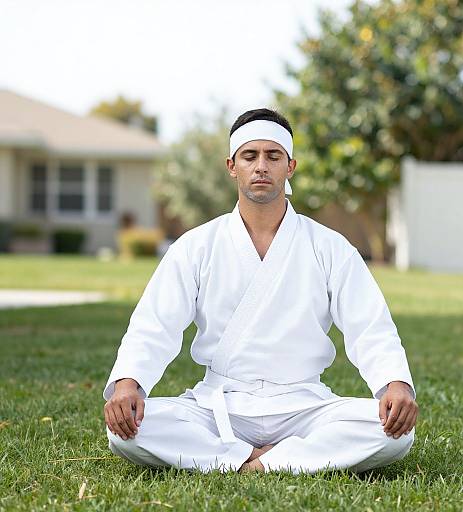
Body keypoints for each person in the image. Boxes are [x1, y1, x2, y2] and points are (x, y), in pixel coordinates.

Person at [103, 108, 418, 474]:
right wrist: (129, 383)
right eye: (250, 156)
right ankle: (277, 459)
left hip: (302, 404)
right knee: (127, 433)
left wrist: (395, 384)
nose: (261, 166)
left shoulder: (330, 247)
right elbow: (155, 324)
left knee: (394, 434)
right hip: (219, 404)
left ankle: (240, 460)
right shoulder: (197, 245)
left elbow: (370, 326)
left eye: (273, 156)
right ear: (232, 166)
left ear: (291, 166)